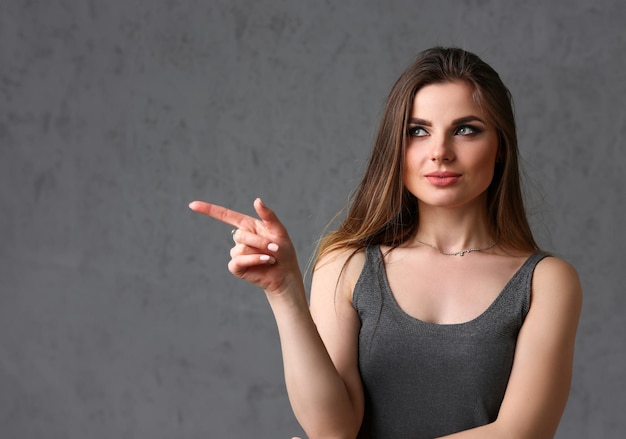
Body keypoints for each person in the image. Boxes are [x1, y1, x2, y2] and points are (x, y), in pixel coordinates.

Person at [189, 47, 582, 438]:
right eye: (417, 131)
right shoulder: (347, 264)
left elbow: (520, 433)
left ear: (500, 147)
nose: (440, 152)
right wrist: (285, 291)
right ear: (396, 145)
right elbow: (332, 429)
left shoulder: (546, 281)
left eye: (466, 129)